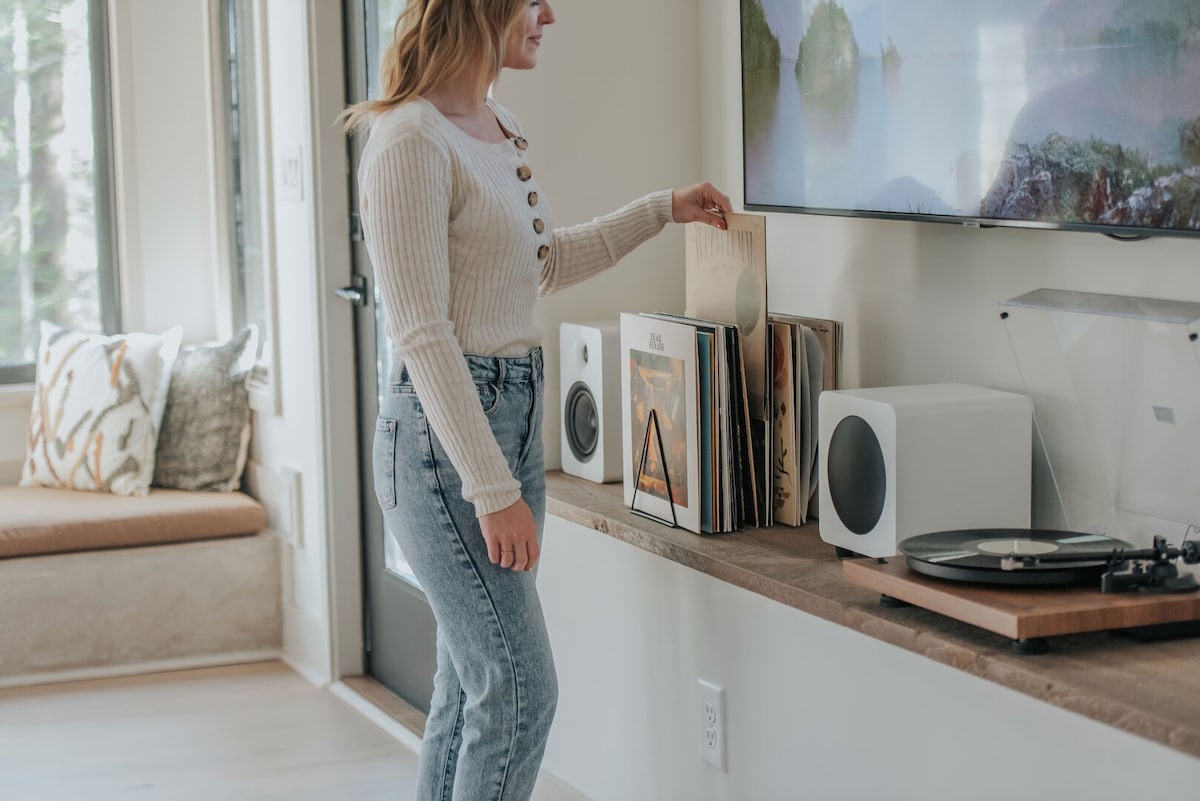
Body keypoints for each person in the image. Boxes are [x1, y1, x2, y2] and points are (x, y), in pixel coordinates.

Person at [342, 2, 731, 799]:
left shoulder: (494, 126)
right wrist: (492, 489)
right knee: (520, 688)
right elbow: (421, 332)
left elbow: (544, 264)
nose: (548, 14)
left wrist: (662, 209)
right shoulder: (408, 139)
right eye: (532, 1)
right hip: (444, 440)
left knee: (469, 683)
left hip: (514, 411)